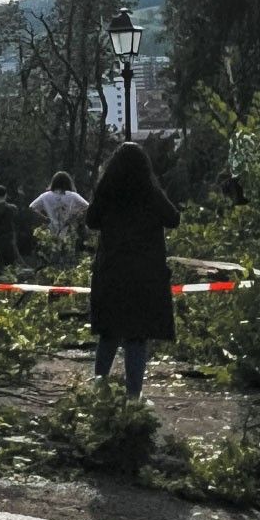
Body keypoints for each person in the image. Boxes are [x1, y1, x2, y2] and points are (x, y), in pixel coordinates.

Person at [85, 142, 180, 399]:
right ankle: (134, 397)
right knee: (136, 338)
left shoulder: (108, 192)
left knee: (109, 333)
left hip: (112, 272)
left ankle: (99, 388)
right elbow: (174, 218)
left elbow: (91, 220)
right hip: (144, 276)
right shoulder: (150, 192)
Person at [29, 170, 88, 240]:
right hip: (68, 230)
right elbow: (86, 206)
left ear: (53, 182)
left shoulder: (45, 195)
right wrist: (73, 218)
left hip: (50, 229)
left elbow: (32, 207)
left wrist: (45, 218)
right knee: (66, 245)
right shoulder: (73, 195)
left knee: (50, 245)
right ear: (68, 182)